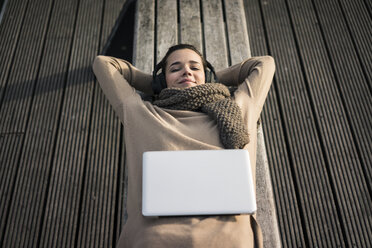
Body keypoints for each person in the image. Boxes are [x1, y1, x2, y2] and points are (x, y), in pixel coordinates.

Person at [93, 44, 275, 248]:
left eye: (195, 67)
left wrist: (212, 77)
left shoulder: (240, 109)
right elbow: (103, 64)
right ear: (163, 80)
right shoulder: (141, 113)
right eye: (175, 68)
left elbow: (265, 64)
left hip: (226, 238)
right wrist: (156, 83)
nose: (186, 71)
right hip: (157, 237)